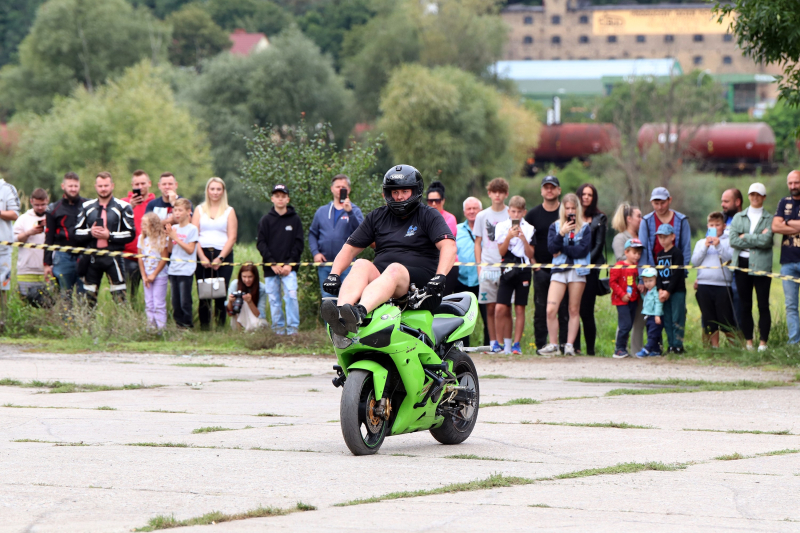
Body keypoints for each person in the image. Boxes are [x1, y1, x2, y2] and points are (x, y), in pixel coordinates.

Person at [319, 165, 456, 337]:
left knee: (394, 269)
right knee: (361, 263)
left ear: (415, 191)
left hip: (422, 288)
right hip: (383, 281)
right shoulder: (377, 216)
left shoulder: (429, 215)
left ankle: (359, 312)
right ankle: (341, 316)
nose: (399, 197)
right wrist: (334, 274)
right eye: (394, 192)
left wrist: (440, 276)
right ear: (387, 193)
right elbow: (350, 248)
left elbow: (448, 246)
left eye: (405, 191)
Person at [537, 193, 590, 356]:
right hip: (559, 270)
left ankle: (569, 345)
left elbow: (582, 250)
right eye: (567, 208)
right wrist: (561, 233)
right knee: (550, 309)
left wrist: (563, 249)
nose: (570, 211)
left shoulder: (585, 227)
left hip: (577, 270)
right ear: (563, 209)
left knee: (573, 309)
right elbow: (552, 248)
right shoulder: (555, 226)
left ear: (577, 209)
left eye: (573, 208)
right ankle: (553, 344)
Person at [74, 172, 134, 306]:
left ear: (112, 186)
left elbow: (131, 233)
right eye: (100, 186)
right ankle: (87, 320)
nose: (103, 189)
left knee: (120, 299)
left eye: (106, 185)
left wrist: (109, 236)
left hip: (114, 257)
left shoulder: (124, 206)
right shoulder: (86, 207)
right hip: (92, 257)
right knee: (88, 299)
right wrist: (90, 232)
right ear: (95, 187)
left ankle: (123, 319)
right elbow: (76, 233)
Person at [526, 175, 570, 352]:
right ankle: (541, 345)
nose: (549, 190)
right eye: (546, 187)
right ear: (541, 190)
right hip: (541, 269)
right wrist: (534, 264)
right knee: (541, 308)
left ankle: (565, 345)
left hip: (563, 269)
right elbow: (526, 241)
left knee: (564, 309)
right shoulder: (533, 214)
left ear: (559, 190)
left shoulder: (566, 213)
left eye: (553, 187)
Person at [256, 184, 303, 335]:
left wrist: (289, 264)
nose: (280, 199)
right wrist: (272, 263)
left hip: (290, 268)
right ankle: (278, 331)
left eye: (283, 196)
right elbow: (261, 243)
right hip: (271, 268)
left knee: (291, 296)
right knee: (274, 300)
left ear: (288, 199)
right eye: (277, 196)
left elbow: (299, 244)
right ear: (272, 199)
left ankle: (293, 330)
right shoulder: (265, 220)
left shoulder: (295, 219)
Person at [732, 183, 774, 350]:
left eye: (758, 194)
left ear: (764, 197)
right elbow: (733, 240)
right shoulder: (738, 217)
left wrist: (746, 237)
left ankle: (763, 342)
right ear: (748, 196)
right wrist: (757, 237)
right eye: (752, 194)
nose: (755, 197)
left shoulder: (769, 218)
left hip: (762, 264)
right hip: (742, 264)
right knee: (745, 305)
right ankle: (748, 341)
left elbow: (767, 241)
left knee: (763, 305)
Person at [193, 177, 238, 329]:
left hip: (223, 254)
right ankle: (204, 328)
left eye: (219, 189)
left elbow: (232, 237)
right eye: (212, 189)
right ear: (207, 190)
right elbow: (193, 235)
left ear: (223, 191)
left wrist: (220, 258)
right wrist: (201, 257)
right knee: (204, 294)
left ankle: (220, 327)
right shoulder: (199, 210)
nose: (215, 192)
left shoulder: (229, 211)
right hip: (202, 254)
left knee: (220, 294)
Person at [308, 174, 364, 299]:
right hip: (325, 264)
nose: (340, 189)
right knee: (328, 299)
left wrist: (350, 212)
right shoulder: (322, 211)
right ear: (332, 189)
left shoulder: (355, 210)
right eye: (337, 187)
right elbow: (312, 234)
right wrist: (315, 252)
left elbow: (362, 234)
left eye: (343, 187)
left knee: (347, 299)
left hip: (347, 264)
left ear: (349, 190)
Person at [494, 196, 534, 355]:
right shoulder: (501, 227)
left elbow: (530, 254)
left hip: (524, 268)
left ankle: (516, 344)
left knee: (520, 307)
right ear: (509, 211)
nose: (516, 215)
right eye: (513, 211)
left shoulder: (529, 228)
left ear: (524, 212)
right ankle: (498, 343)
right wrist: (509, 237)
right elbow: (501, 251)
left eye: (519, 212)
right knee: (500, 307)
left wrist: (523, 238)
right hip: (507, 268)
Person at [473, 178, 510, 353]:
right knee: (489, 307)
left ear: (506, 194)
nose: (497, 195)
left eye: (500, 192)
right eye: (494, 192)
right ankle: (493, 343)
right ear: (489, 193)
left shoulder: (510, 213)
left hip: (505, 266)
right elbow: (477, 243)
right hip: (487, 267)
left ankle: (505, 344)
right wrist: (479, 267)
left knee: (505, 307)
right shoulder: (482, 216)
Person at [691, 212, 735, 348]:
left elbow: (730, 259)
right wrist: (705, 247)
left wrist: (718, 246)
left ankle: (734, 346)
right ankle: (714, 347)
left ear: (724, 226)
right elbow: (694, 262)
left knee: (725, 318)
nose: (714, 228)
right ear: (707, 226)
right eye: (711, 225)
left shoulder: (728, 242)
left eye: (717, 225)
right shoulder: (700, 243)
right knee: (709, 319)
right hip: (704, 284)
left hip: (723, 285)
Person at [44, 172, 86, 296]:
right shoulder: (53, 209)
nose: (73, 189)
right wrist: (46, 264)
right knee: (65, 296)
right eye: (70, 186)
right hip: (63, 256)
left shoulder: (88, 205)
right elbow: (49, 237)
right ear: (63, 186)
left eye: (76, 186)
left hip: (84, 255)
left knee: (85, 296)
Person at [576, 183, 607, 355]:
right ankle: (574, 347)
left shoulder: (600, 218)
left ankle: (590, 351)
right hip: (572, 268)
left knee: (587, 311)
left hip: (591, 269)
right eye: (584, 194)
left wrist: (585, 262)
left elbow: (599, 244)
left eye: (590, 194)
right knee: (573, 310)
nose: (586, 197)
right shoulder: (572, 216)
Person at [454, 197, 489, 346]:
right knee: (462, 318)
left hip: (483, 280)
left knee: (488, 316)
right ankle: (463, 348)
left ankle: (489, 347)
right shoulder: (456, 230)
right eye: (469, 209)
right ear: (464, 212)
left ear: (481, 211)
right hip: (461, 280)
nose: (472, 211)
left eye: (475, 208)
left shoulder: (488, 229)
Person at [611, 202, 645, 353]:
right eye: (639, 216)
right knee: (625, 321)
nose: (641, 219)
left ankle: (637, 350)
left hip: (641, 284)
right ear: (629, 219)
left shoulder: (643, 237)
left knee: (640, 319)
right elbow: (621, 260)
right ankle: (620, 348)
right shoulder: (620, 238)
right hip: (625, 288)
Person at [772, 170, 800, 345]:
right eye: (790, 183)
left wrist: (787, 222)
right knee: (791, 306)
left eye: (796, 182)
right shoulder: (784, 202)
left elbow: (781, 224)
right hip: (788, 262)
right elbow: (775, 226)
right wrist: (796, 225)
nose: (793, 186)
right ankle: (794, 343)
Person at [122, 170, 155, 299]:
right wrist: (129, 207)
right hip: (129, 256)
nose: (140, 187)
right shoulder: (123, 203)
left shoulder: (155, 204)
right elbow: (115, 223)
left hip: (151, 256)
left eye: (143, 183)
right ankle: (130, 312)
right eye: (137, 184)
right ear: (132, 185)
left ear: (149, 183)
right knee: (129, 295)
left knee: (153, 296)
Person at [654, 224, 686, 354]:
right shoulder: (659, 255)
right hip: (664, 292)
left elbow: (677, 274)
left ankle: (678, 345)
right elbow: (658, 274)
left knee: (677, 318)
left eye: (665, 237)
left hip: (676, 291)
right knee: (667, 319)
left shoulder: (677, 253)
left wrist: (668, 291)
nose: (662, 240)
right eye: (660, 237)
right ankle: (671, 345)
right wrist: (660, 289)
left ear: (673, 237)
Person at [166, 198, 197, 328]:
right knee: (175, 301)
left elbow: (190, 250)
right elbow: (170, 250)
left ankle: (187, 325)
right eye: (175, 210)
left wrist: (176, 238)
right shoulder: (174, 228)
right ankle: (178, 325)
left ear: (188, 212)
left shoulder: (192, 229)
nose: (177, 213)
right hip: (173, 268)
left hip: (186, 269)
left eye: (180, 210)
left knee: (185, 301)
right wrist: (170, 237)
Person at [14, 188, 48, 303]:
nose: (40, 207)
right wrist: (29, 232)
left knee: (48, 303)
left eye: (43, 205)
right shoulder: (23, 219)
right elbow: (14, 239)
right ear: (31, 201)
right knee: (24, 302)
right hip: (26, 269)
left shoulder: (52, 217)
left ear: (47, 201)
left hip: (47, 270)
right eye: (37, 205)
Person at [610, 238, 643, 358]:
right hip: (621, 301)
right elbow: (612, 282)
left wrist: (640, 286)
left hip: (634, 300)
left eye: (639, 253)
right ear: (626, 252)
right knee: (625, 324)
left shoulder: (638, 268)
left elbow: (637, 281)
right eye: (634, 253)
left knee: (629, 325)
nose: (637, 256)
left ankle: (623, 348)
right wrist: (622, 294)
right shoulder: (619, 266)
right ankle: (619, 349)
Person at [426, 181, 459, 295]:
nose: (434, 203)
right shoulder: (424, 218)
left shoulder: (450, 218)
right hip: (429, 264)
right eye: (430, 201)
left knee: (444, 298)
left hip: (448, 265)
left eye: (437, 200)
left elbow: (442, 239)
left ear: (443, 200)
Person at [137, 212, 169, 331]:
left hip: (160, 275)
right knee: (149, 303)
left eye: (145, 224)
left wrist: (154, 274)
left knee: (158, 303)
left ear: (153, 225)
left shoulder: (161, 239)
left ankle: (161, 328)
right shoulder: (141, 239)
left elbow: (164, 258)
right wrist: (144, 275)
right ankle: (151, 327)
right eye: (142, 224)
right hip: (147, 275)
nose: (142, 227)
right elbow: (140, 258)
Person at [721, 188, 744, 329]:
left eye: (726, 201)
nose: (722, 204)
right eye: (722, 201)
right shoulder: (720, 220)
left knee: (739, 316)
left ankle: (742, 339)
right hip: (720, 276)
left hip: (739, 275)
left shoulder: (746, 220)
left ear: (737, 202)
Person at [0, 174, 19, 326]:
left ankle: (3, 320)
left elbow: (14, 214)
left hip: (3, 249)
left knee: (2, 287)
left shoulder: (6, 189)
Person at [227, 263, 268, 331]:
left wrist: (250, 302)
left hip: (254, 317)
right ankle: (240, 329)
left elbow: (260, 315)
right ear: (240, 276)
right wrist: (230, 301)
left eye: (250, 277)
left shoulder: (261, 288)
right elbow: (230, 314)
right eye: (244, 276)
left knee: (261, 324)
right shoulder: (235, 284)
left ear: (255, 276)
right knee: (240, 302)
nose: (247, 280)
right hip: (237, 317)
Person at [636, 268, 663, 358]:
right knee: (650, 332)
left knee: (652, 334)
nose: (648, 283)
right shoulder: (648, 291)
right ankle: (655, 350)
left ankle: (647, 349)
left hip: (655, 316)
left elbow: (658, 303)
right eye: (645, 281)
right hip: (649, 315)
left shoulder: (656, 291)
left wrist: (657, 315)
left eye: (650, 280)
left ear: (656, 279)